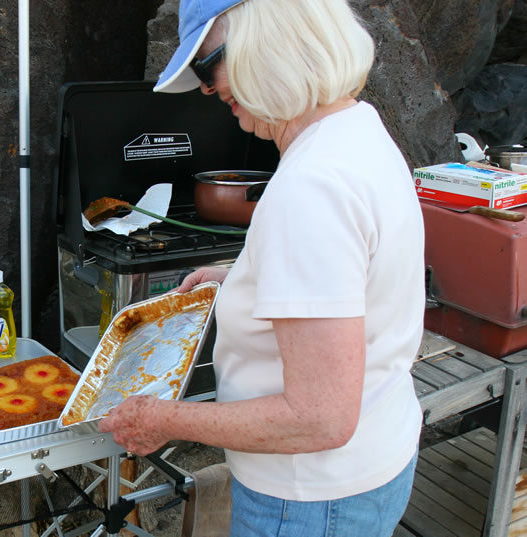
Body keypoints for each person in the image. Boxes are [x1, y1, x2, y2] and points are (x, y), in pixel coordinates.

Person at [97, 0, 425, 535]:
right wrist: (247, 278)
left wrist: (164, 420)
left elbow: (318, 417)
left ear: (265, 41)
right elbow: (354, 276)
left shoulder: (310, 187)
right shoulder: (357, 129)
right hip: (373, 458)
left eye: (207, 65)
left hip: (309, 500)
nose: (207, 89)